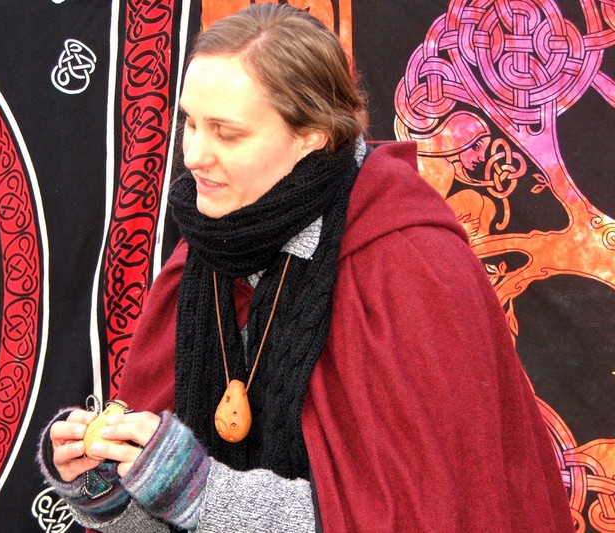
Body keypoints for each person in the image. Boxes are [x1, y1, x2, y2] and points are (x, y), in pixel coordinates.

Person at [38, 4, 574, 532]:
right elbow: (175, 520)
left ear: (312, 134)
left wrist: (197, 491)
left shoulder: (411, 268)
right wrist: (107, 490)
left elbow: (425, 514)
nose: (195, 155)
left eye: (226, 133)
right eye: (190, 124)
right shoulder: (204, 251)